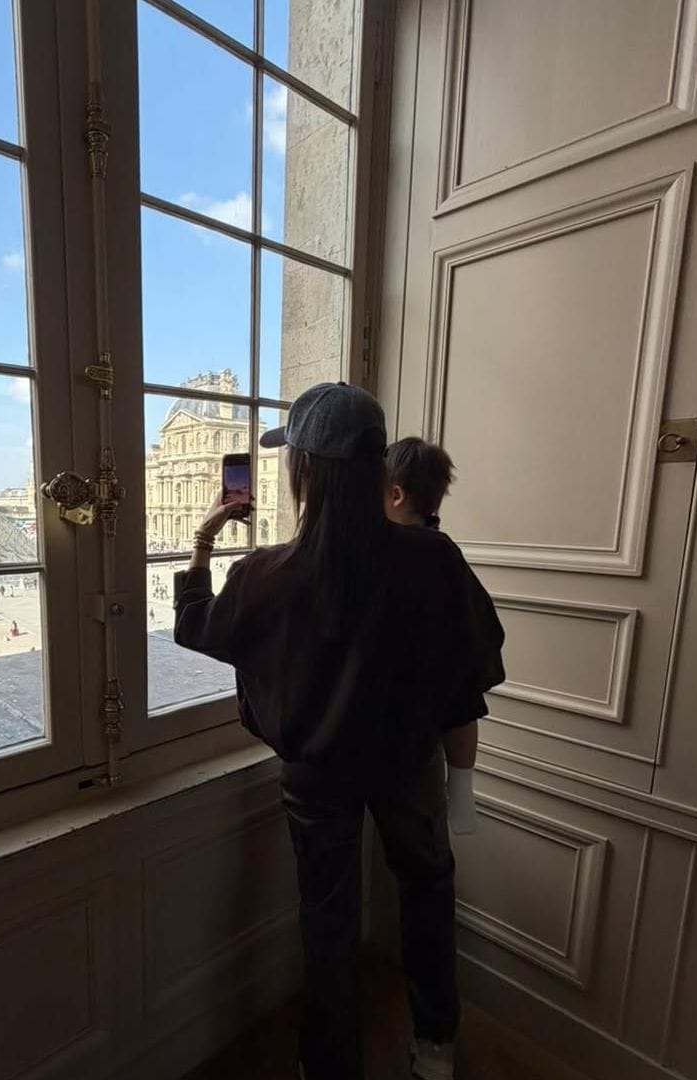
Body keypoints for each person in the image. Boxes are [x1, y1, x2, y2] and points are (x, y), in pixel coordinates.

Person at [173, 383, 505, 1080]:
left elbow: (200, 629)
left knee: (327, 921)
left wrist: (204, 541)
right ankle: (435, 1047)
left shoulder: (267, 573)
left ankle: (328, 1066)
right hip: (409, 765)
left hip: (316, 777)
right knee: (427, 893)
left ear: (305, 471)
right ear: (377, 471)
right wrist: (462, 781)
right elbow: (471, 661)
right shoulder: (431, 558)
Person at [384, 436, 505, 836]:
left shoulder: (403, 552)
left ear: (396, 495)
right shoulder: (442, 548)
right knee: (464, 704)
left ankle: (462, 789)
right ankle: (463, 789)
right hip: (449, 682)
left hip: (413, 701)